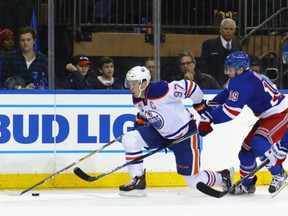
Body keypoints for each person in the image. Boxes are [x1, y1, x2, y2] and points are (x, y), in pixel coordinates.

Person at [118, 65, 233, 196]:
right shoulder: (136, 97)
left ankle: (222, 176)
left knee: (193, 182)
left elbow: (190, 86)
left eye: (134, 84)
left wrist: (199, 104)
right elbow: (147, 112)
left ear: (144, 83)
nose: (130, 87)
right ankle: (138, 181)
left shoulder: (161, 90)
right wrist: (139, 124)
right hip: (161, 134)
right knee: (129, 139)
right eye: (129, 84)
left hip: (185, 135)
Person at [198, 51, 288, 195]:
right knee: (245, 153)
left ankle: (279, 174)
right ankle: (247, 185)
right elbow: (226, 94)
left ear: (240, 69)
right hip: (267, 116)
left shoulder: (243, 83)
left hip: (281, 113)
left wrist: (209, 118)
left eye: (230, 69)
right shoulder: (241, 78)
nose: (228, 72)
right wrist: (211, 106)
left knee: (259, 144)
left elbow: (230, 113)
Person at [200, 18, 242, 88]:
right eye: (226, 29)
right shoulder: (209, 44)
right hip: (213, 84)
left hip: (233, 85)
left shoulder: (238, 46)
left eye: (231, 29)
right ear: (220, 30)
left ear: (234, 31)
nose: (228, 31)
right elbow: (204, 66)